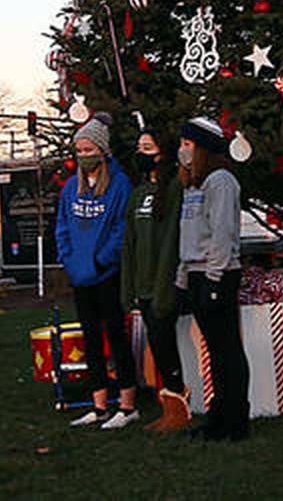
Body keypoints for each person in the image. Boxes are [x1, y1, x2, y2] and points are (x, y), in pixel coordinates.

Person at [55, 110, 138, 430]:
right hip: (80, 274)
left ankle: (128, 405)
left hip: (106, 273)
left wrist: (101, 260)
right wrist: (70, 259)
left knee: (116, 336)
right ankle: (99, 404)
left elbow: (121, 229)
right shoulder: (70, 188)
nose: (84, 156)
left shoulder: (119, 184)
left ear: (103, 151)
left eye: (89, 150)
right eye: (80, 151)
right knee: (91, 339)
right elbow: (62, 225)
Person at [176, 116, 249, 441]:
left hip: (216, 273)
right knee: (215, 351)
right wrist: (182, 278)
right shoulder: (193, 184)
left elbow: (222, 232)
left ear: (203, 147)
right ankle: (218, 415)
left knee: (227, 349)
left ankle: (234, 420)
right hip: (195, 272)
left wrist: (215, 278)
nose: (182, 150)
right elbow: (188, 235)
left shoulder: (220, 181)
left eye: (187, 144)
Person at [120, 125, 189, 432]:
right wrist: (129, 288)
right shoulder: (137, 195)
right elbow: (130, 244)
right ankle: (172, 407)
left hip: (164, 285)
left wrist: (165, 287)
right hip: (143, 286)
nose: (140, 154)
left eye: (147, 148)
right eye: (139, 148)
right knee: (158, 345)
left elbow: (172, 240)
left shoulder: (175, 188)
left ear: (163, 153)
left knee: (165, 342)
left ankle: (179, 405)